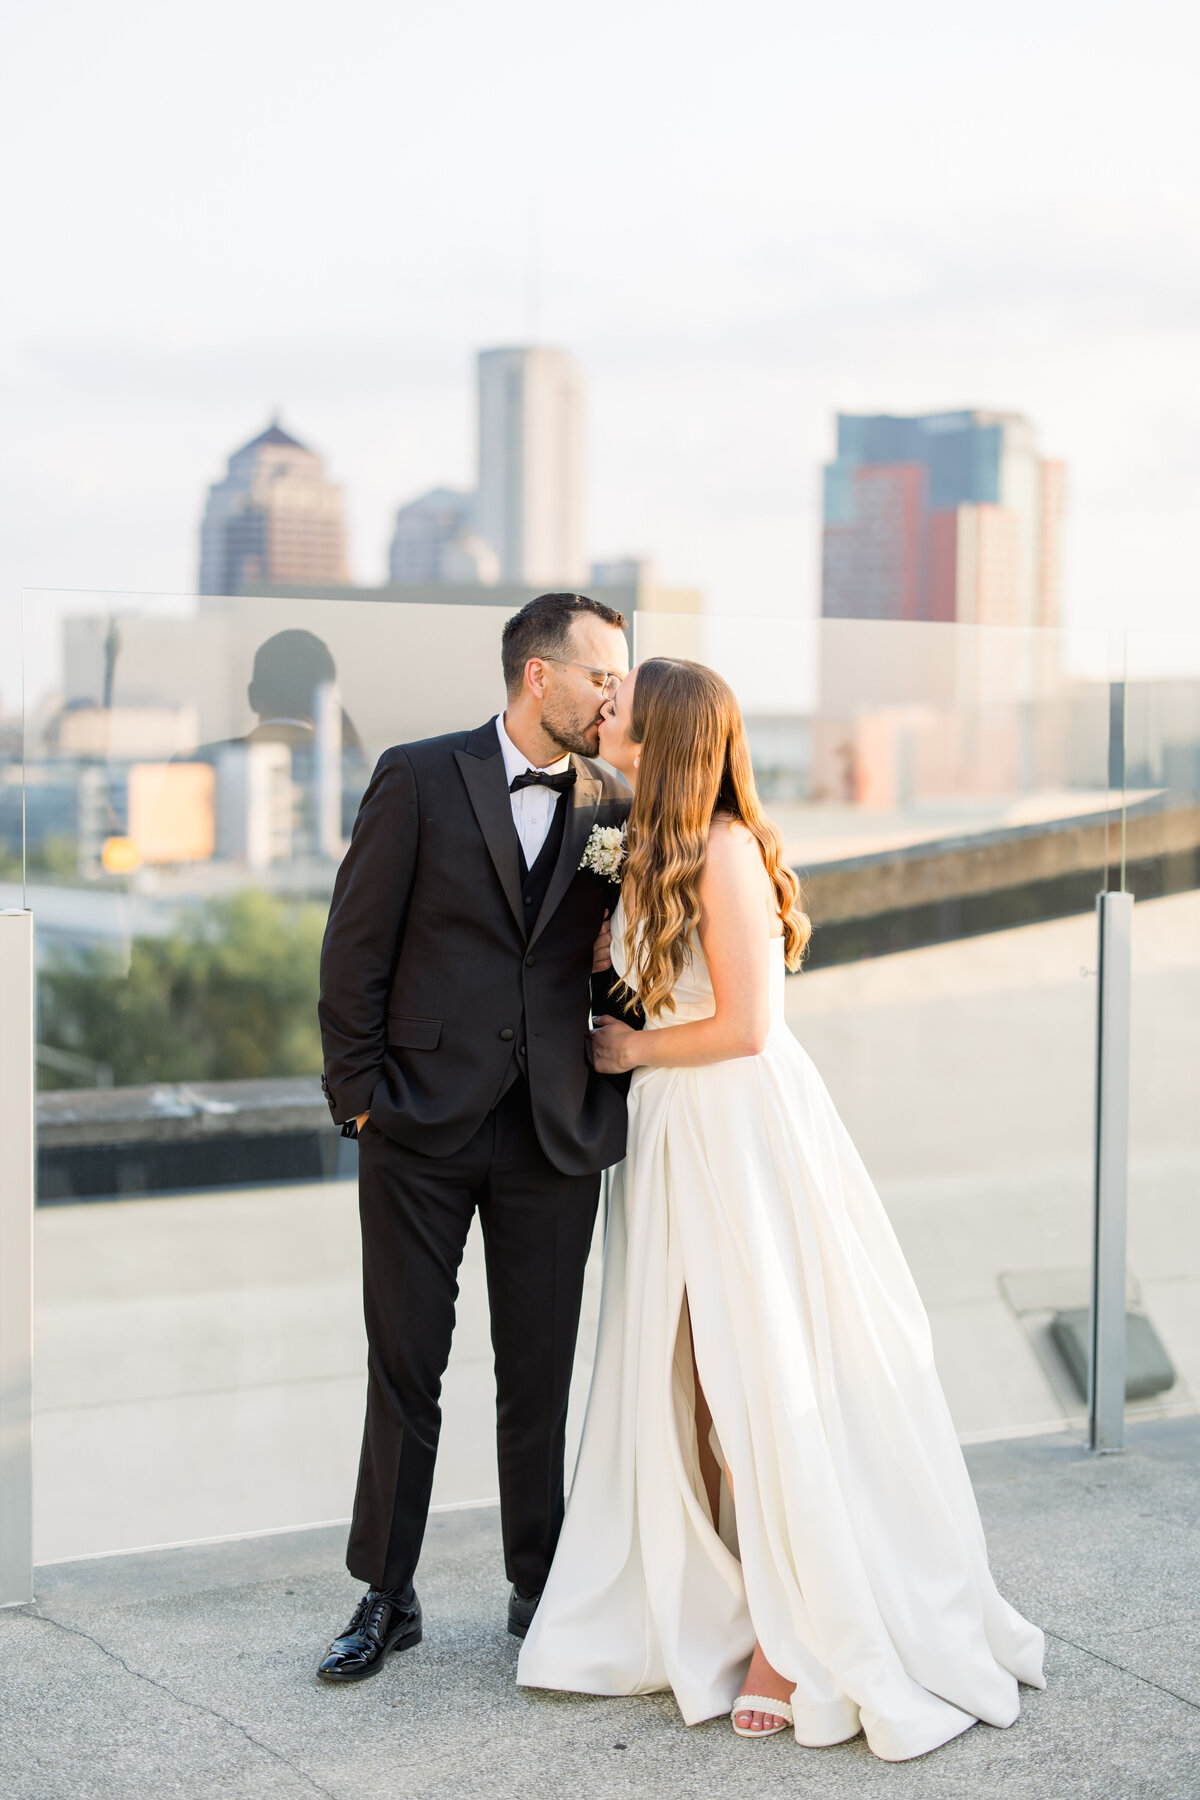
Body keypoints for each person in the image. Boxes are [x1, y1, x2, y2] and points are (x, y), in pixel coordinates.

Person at [517, 658, 1046, 1761]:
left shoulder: (723, 853)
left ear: (664, 735)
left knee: (748, 1383)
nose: (604, 712)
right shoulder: (644, 841)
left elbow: (750, 1028)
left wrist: (634, 1047)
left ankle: (795, 1637)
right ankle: (739, 1604)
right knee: (692, 1385)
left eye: (622, 707)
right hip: (674, 1137)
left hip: (737, 1133)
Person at [315, 592, 633, 1682]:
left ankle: (537, 1585)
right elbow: (353, 945)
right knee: (405, 1362)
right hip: (418, 1122)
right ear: (536, 675)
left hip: (554, 1130)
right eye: (601, 674)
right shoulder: (416, 775)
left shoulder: (618, 805)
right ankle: (385, 1595)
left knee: (537, 1370)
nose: (615, 694)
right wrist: (358, 1097)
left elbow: (631, 959)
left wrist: (623, 1033)